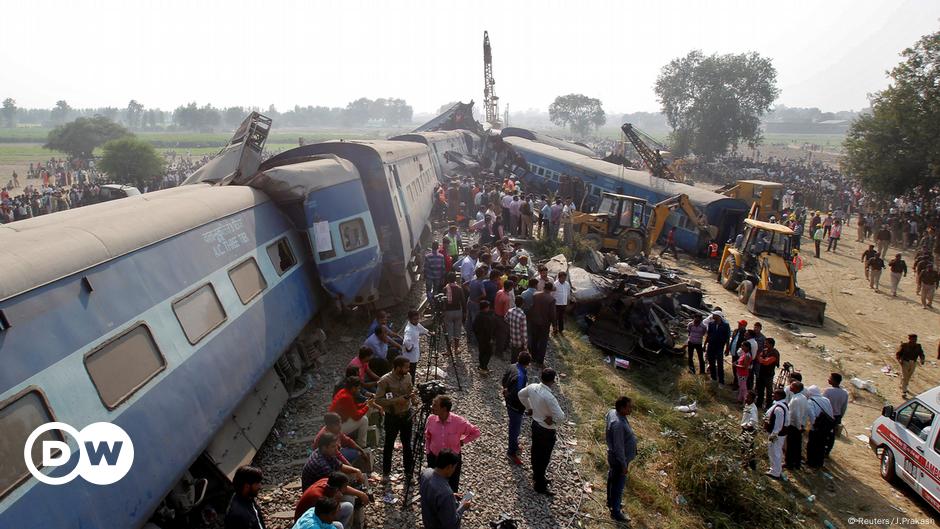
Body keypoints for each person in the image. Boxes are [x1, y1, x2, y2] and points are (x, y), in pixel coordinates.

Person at [518, 368, 566, 495]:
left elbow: (521, 395)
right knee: (544, 458)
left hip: (536, 425)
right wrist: (554, 422)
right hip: (546, 430)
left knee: (535, 452)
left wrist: (529, 408)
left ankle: (537, 476)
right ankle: (539, 485)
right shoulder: (549, 397)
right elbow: (561, 417)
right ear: (553, 380)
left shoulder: (533, 387)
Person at [425, 395, 481, 492]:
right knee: (434, 483)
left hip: (451, 461)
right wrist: (428, 451)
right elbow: (428, 436)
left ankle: (451, 503)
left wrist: (463, 441)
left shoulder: (459, 422)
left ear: (444, 409)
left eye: (435, 405)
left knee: (452, 485)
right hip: (434, 457)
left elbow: (476, 432)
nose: (431, 407)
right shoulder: (431, 419)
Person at [375, 356, 418, 478]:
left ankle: (408, 472)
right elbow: (378, 400)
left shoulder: (408, 376)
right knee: (389, 444)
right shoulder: (385, 380)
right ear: (398, 368)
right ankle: (386, 473)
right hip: (392, 417)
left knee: (407, 444)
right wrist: (395, 401)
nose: (408, 369)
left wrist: (413, 398)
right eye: (406, 367)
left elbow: (410, 389)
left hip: (406, 415)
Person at [419, 449, 472, 529]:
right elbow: (450, 523)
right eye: (454, 467)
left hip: (427, 521)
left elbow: (431, 495)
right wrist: (462, 507)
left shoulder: (426, 473)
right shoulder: (446, 493)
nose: (454, 470)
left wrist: (451, 497)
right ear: (449, 467)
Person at [605, 396, 636, 522]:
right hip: (619, 459)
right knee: (618, 485)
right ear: (622, 408)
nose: (631, 409)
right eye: (629, 407)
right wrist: (623, 465)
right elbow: (618, 447)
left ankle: (610, 502)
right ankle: (616, 512)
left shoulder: (612, 412)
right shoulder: (618, 424)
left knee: (612, 478)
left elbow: (606, 417)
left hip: (614, 457)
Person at [301, 433, 365, 492]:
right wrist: (359, 493)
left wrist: (357, 471)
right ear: (324, 447)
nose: (336, 449)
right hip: (316, 495)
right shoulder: (320, 463)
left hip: (326, 483)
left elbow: (340, 466)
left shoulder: (324, 452)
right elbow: (334, 483)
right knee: (349, 500)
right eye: (333, 446)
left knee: (354, 475)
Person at [502, 351, 531, 466]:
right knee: (514, 429)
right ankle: (511, 452)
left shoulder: (512, 366)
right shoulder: (521, 376)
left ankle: (514, 445)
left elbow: (504, 380)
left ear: (518, 358)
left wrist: (505, 390)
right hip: (516, 407)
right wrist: (528, 407)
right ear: (528, 363)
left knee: (514, 427)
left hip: (509, 403)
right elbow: (518, 395)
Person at [328, 377, 374, 447]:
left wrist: (365, 404)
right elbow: (356, 416)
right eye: (358, 388)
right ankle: (362, 445)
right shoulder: (346, 397)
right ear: (353, 388)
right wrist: (367, 406)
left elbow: (353, 407)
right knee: (364, 420)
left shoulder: (344, 391)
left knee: (365, 413)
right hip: (336, 429)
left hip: (339, 422)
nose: (359, 390)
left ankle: (357, 432)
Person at [805, 386, 835, 468]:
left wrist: (814, 426)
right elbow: (830, 413)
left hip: (816, 428)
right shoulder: (826, 400)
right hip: (826, 427)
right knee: (821, 445)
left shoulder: (810, 401)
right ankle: (819, 463)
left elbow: (812, 415)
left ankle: (811, 462)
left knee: (812, 445)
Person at [529, 282, 557, 366]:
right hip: (544, 323)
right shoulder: (551, 299)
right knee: (543, 341)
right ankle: (540, 361)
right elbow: (552, 314)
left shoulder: (535, 295)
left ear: (544, 287)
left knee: (534, 339)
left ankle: (533, 357)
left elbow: (532, 307)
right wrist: (555, 325)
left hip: (534, 321)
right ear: (551, 289)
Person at [764, 389, 789, 480]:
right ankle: (774, 468)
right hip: (777, 434)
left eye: (775, 394)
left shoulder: (779, 409)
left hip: (777, 435)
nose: (773, 395)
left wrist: (773, 435)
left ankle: (775, 472)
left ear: (779, 396)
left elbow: (778, 424)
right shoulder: (780, 405)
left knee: (775, 452)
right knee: (774, 451)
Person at [441, 272, 466, 358]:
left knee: (449, 331)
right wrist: (465, 312)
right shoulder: (459, 288)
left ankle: (448, 350)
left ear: (448, 279)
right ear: (455, 279)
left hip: (448, 312)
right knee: (457, 330)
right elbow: (463, 301)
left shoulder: (445, 289)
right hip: (458, 311)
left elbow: (443, 301)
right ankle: (456, 349)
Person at [823, 373, 849, 456]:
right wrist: (840, 417)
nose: (828, 379)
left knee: (823, 433)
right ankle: (827, 451)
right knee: (832, 434)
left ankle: (822, 449)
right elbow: (844, 407)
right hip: (837, 416)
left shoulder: (828, 391)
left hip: (827, 415)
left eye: (830, 378)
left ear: (834, 381)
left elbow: (823, 403)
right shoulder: (844, 393)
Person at [402, 309, 430, 381]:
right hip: (410, 356)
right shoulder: (409, 330)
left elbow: (421, 328)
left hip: (414, 353)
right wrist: (410, 348)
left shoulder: (415, 324)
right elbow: (406, 341)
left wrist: (428, 332)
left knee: (412, 371)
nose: (417, 321)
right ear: (409, 319)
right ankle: (410, 386)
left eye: (418, 319)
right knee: (411, 372)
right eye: (415, 319)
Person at [785, 381, 807, 470]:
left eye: (792, 386)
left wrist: (798, 427)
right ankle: (797, 463)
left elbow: (796, 415)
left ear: (797, 389)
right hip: (800, 424)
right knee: (797, 445)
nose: (790, 387)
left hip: (794, 426)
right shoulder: (803, 398)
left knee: (791, 445)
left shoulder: (796, 400)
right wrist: (802, 425)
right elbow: (805, 413)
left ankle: (789, 463)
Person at [472, 300, 498, 373]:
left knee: (482, 352)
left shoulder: (478, 316)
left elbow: (474, 327)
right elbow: (489, 330)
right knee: (488, 352)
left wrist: (477, 335)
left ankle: (481, 366)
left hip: (480, 338)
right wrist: (491, 338)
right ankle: (483, 367)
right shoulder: (487, 318)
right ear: (486, 308)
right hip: (486, 339)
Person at [897, 334, 926, 398]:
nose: (914, 341)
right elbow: (898, 354)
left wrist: (922, 359)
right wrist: (900, 360)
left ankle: (902, 384)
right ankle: (904, 391)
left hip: (913, 363)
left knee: (908, 376)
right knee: (905, 376)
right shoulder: (904, 345)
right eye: (913, 339)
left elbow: (921, 354)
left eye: (915, 339)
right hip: (905, 362)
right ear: (909, 339)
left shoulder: (918, 346)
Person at [754, 338, 780, 409]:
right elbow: (758, 358)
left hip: (769, 375)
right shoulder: (765, 351)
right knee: (760, 389)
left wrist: (761, 359)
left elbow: (766, 362)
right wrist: (762, 360)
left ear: (771, 344)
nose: (765, 344)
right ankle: (759, 404)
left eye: (766, 343)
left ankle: (768, 406)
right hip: (761, 373)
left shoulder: (775, 353)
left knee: (769, 391)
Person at [703, 312, 729, 383]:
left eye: (714, 315)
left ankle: (721, 381)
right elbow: (708, 335)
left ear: (718, 316)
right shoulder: (711, 324)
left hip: (719, 347)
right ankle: (713, 378)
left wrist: (727, 348)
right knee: (711, 363)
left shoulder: (725, 326)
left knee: (720, 364)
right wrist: (705, 345)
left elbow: (727, 338)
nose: (712, 316)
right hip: (711, 346)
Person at [505, 295, 528, 364]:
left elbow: (505, 319)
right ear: (522, 304)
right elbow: (524, 332)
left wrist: (512, 324)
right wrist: (525, 345)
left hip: (512, 338)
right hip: (519, 342)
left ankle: (512, 369)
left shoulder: (510, 311)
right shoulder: (522, 315)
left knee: (513, 357)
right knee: (519, 360)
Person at [741, 391, 759, 470]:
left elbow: (754, 420)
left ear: (753, 399)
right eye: (746, 397)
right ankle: (748, 464)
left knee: (747, 447)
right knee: (745, 447)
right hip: (745, 429)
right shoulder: (747, 405)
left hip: (749, 430)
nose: (746, 398)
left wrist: (748, 426)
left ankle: (750, 465)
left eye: (748, 397)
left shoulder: (753, 408)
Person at [727, 319, 748, 389]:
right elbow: (732, 340)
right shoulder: (736, 331)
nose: (739, 325)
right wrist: (728, 349)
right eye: (739, 324)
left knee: (737, 369)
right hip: (733, 352)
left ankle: (737, 384)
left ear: (744, 326)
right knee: (734, 368)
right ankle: (735, 382)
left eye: (741, 324)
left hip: (739, 354)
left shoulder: (745, 334)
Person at [553, 271, 573, 335]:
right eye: (562, 278)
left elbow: (568, 294)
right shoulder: (555, 284)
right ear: (559, 278)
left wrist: (568, 302)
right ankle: (554, 330)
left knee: (561, 317)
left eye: (565, 278)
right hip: (556, 304)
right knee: (555, 317)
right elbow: (552, 294)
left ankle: (561, 330)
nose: (564, 279)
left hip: (563, 303)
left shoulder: (567, 284)